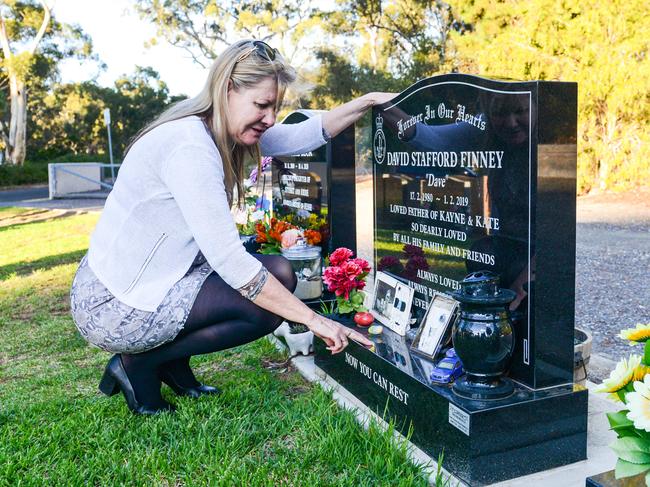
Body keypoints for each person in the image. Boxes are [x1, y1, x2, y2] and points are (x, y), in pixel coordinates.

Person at [70, 39, 391, 415]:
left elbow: (296, 135)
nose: (270, 118)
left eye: (274, 107)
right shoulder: (190, 147)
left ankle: (172, 364)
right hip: (115, 303)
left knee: (279, 274)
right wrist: (312, 319)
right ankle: (138, 364)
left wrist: (367, 101)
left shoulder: (214, 129)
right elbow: (232, 264)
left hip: (152, 278)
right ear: (227, 90)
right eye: (261, 105)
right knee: (264, 309)